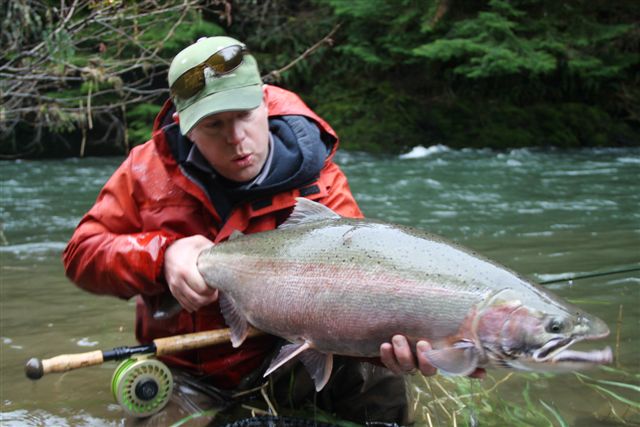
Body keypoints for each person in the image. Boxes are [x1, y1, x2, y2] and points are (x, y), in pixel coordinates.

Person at [63, 36, 466, 424]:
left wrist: (391, 349)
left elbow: (364, 291)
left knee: (380, 378)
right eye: (214, 126)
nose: (236, 139)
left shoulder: (318, 177)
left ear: (264, 99)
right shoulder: (145, 171)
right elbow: (82, 253)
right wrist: (162, 256)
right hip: (192, 373)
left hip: (291, 359)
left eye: (244, 115)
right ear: (183, 125)